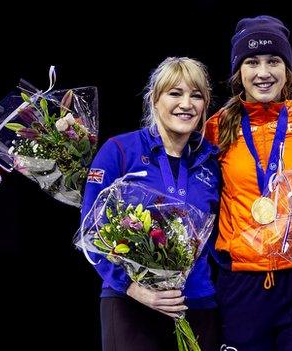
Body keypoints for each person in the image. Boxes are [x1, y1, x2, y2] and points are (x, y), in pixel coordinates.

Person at [204, 15, 292, 351]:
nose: (263, 73)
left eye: (273, 61)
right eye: (252, 62)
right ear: (239, 72)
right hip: (241, 282)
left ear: (287, 69)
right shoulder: (217, 127)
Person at [80, 57, 221, 351]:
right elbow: (89, 231)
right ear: (154, 100)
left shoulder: (213, 159)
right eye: (175, 93)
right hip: (130, 304)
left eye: (196, 95)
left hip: (196, 304)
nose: (186, 103)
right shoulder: (120, 150)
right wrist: (132, 288)